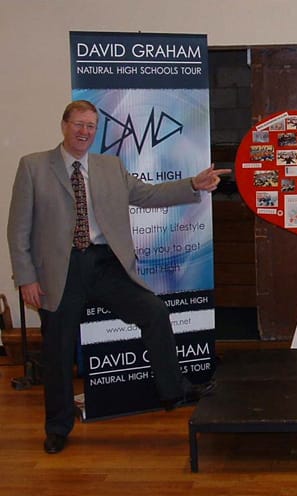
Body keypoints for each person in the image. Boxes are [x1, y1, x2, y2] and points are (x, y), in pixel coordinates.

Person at [7, 100, 228, 454]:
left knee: (153, 311)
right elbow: (18, 229)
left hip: (106, 264)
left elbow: (148, 194)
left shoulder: (109, 166)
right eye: (78, 124)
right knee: (58, 351)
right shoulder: (33, 166)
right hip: (60, 271)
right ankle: (58, 427)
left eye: (91, 126)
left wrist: (193, 184)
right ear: (64, 125)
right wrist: (26, 277)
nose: (84, 132)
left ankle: (174, 391)